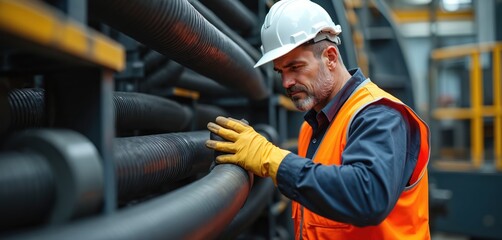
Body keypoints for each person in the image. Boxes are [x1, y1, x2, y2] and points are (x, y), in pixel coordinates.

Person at [205, 0, 431, 239]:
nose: (286, 82)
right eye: (281, 71)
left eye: (295, 66)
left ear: (330, 57)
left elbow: (368, 196)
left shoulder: (379, 115)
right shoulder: (311, 128)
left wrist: (271, 159)